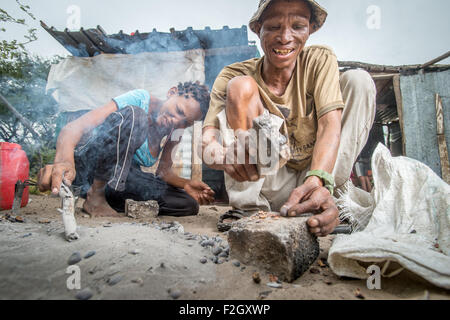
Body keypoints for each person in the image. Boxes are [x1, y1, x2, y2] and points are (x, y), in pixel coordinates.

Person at [201, 0, 376, 236]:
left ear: (312, 28)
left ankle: (323, 199)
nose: (285, 38)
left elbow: (329, 125)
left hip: (316, 178)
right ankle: (250, 209)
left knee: (358, 81)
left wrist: (319, 180)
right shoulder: (233, 72)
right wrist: (224, 156)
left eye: (298, 26)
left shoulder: (319, 60)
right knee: (239, 87)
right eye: (273, 27)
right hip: (268, 182)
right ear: (257, 29)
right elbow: (207, 142)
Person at [38, 81, 215, 217]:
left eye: (186, 122)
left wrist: (186, 184)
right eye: (178, 110)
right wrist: (63, 161)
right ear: (172, 92)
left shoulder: (175, 130)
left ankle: (115, 200)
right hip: (91, 166)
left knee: (186, 204)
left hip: (118, 180)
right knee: (135, 116)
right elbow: (73, 128)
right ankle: (95, 196)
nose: (177, 121)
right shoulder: (141, 99)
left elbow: (163, 172)